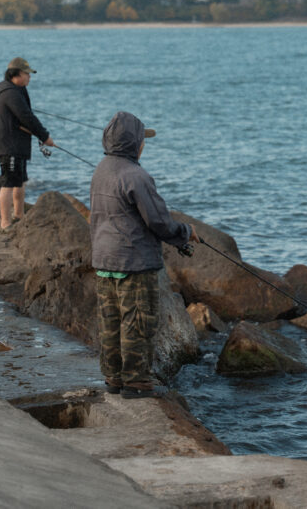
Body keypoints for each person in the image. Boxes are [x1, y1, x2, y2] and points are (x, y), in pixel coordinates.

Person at [89, 111, 199, 399]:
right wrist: (186, 233)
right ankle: (136, 382)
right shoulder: (136, 176)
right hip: (133, 264)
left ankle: (113, 378)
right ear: (133, 143)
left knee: (110, 323)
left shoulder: (101, 169)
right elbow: (159, 222)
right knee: (137, 322)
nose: (144, 145)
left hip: (103, 263)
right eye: (142, 140)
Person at [0, 56, 54, 230]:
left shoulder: (17, 89)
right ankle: (5, 223)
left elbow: (25, 113)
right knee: (8, 182)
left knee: (20, 180)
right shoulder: (10, 92)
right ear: (16, 74)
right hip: (8, 144)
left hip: (17, 144)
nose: (29, 77)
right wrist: (44, 136)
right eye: (27, 74)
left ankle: (19, 215)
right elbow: (27, 117)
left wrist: (41, 135)